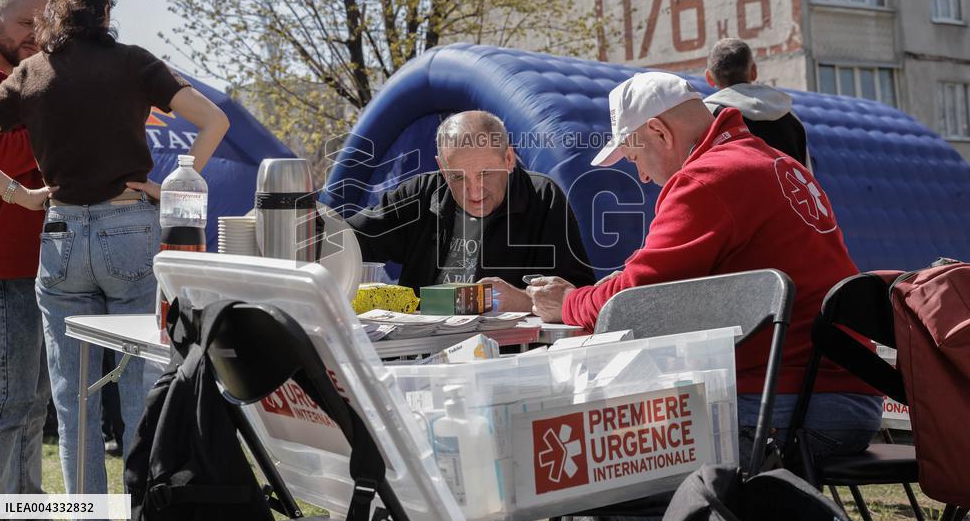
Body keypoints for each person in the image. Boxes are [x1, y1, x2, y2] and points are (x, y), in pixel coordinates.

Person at [0, 0, 229, 521]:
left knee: (72, 398)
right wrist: (172, 185)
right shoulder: (135, 62)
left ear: (53, 15)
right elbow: (215, 120)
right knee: (140, 384)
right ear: (107, 11)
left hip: (60, 237)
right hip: (129, 230)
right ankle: (143, 517)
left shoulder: (33, 72)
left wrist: (18, 194)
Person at [528, 72, 881, 465]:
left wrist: (568, 302)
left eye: (634, 157)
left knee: (611, 451)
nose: (642, 176)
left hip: (792, 405)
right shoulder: (774, 160)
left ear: (659, 132)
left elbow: (633, 301)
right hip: (842, 394)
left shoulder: (707, 178)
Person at [0, 0, 65, 521]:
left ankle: (26, 514)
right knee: (9, 396)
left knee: (33, 399)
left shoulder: (31, 76)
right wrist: (55, 127)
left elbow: (9, 143)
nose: (37, 34)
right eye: (27, 22)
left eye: (44, 24)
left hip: (45, 257)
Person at [346, 110, 595, 310]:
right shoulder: (421, 193)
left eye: (485, 174)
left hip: (508, 352)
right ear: (442, 169)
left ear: (508, 159)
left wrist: (521, 300)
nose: (474, 193)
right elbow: (347, 239)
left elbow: (578, 299)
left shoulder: (542, 197)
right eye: (457, 177)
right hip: (422, 348)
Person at [704, 38, 811, 169]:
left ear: (709, 78)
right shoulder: (791, 118)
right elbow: (807, 176)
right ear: (754, 71)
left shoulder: (706, 117)